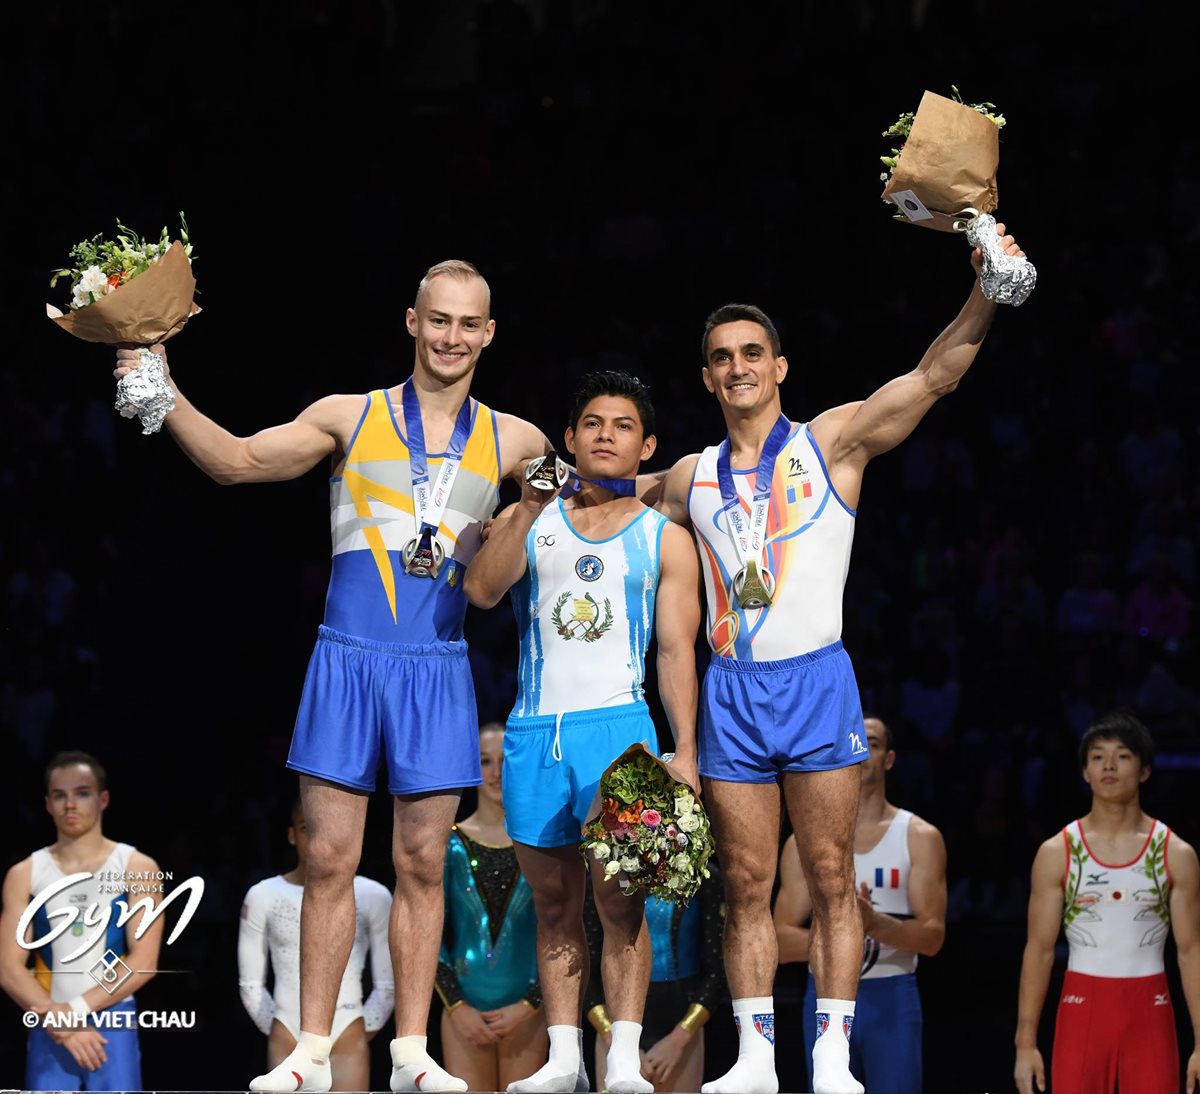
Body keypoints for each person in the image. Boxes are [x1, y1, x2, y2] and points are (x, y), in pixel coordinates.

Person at [114, 258, 554, 1093]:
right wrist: (158, 388)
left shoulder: (518, 439)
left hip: (436, 668)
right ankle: (310, 1050)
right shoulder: (348, 417)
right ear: (412, 322)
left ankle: (413, 1051)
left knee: (424, 861)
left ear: (488, 334)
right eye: (439, 320)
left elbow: (587, 502)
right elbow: (238, 463)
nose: (452, 337)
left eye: (469, 324)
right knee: (327, 858)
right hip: (347, 660)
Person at [646, 222, 1026, 1094]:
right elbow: (610, 490)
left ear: (779, 366)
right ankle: (751, 1059)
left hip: (817, 681)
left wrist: (986, 290)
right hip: (731, 690)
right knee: (744, 880)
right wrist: (528, 483)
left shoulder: (833, 442)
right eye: (721, 357)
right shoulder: (690, 478)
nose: (738, 367)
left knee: (826, 873)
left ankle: (827, 1054)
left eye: (753, 353)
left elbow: (935, 376)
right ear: (707, 377)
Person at [464, 370, 701, 1093]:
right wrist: (531, 505)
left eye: (623, 425)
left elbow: (674, 652)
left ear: (647, 445)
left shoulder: (666, 539)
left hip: (621, 732)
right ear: (569, 440)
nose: (606, 434)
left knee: (619, 899)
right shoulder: (528, 519)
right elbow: (480, 590)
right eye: (592, 423)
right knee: (556, 904)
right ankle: (565, 1060)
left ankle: (622, 1059)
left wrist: (684, 749)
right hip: (536, 733)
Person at [1013, 709, 1200, 1094]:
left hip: (1151, 1011)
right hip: (1082, 1012)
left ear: (1145, 771)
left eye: (1123, 756)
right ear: (1085, 772)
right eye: (1097, 757)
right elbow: (1040, 950)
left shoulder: (1176, 853)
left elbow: (1190, 952)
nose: (1108, 765)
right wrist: (1025, 1043)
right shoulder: (1058, 851)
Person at [774, 715, 946, 1093]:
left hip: (892, 994)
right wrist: (843, 937)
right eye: (855, 741)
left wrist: (873, 923)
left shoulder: (918, 836)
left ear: (889, 758)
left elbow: (933, 937)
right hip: (823, 994)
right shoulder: (804, 842)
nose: (863, 751)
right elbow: (780, 944)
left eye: (873, 743)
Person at [0, 751, 165, 1091]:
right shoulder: (24, 874)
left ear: (103, 799)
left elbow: (144, 961)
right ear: (47, 804)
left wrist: (73, 1011)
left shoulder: (138, 867)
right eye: (60, 795)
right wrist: (59, 1018)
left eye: (82, 792)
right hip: (49, 1022)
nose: (70, 805)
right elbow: (9, 968)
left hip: (110, 1023)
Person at [238, 798, 395, 1092]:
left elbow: (388, 985)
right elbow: (250, 986)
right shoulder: (263, 895)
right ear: (291, 834)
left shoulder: (372, 895)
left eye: (327, 828)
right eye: (307, 827)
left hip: (348, 1029)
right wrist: (278, 1024)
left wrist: (360, 1027)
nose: (317, 838)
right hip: (287, 1029)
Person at [436, 722, 548, 1091]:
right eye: (485, 761)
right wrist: (456, 1006)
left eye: (506, 761)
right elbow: (429, 937)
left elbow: (563, 929)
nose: (496, 772)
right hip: (464, 1012)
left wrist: (532, 1004)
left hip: (528, 1012)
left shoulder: (543, 842)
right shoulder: (449, 844)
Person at [584, 859, 726, 1092]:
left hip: (681, 1025)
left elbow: (718, 970)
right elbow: (585, 971)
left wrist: (679, 1039)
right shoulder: (604, 880)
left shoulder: (701, 876)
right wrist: (614, 1039)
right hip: (614, 1025)